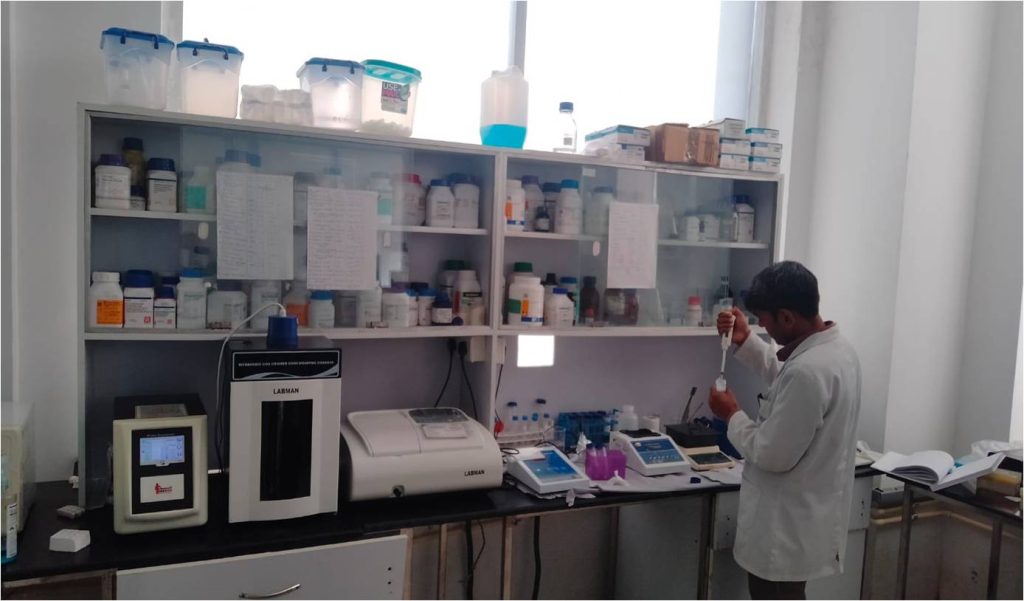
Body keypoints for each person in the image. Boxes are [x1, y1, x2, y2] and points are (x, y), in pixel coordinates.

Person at [709, 261, 861, 600]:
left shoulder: (808, 371)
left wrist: (731, 414)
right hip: (803, 524)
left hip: (782, 534)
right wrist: (746, 341)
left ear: (788, 317)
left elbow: (771, 454)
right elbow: (789, 380)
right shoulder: (837, 352)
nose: (762, 325)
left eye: (765, 319)